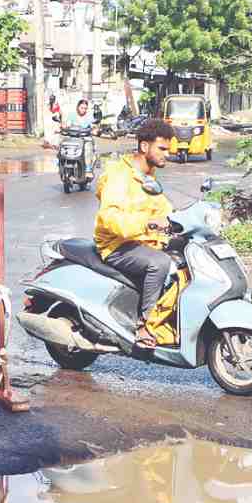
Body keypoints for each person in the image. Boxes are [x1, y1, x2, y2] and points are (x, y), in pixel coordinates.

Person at [93, 118, 176, 350]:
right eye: (162, 149)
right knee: (159, 263)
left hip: (141, 242)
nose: (166, 154)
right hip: (116, 245)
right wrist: (148, 224)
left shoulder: (147, 177)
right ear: (144, 147)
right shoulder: (119, 175)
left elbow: (164, 209)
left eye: (167, 150)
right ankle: (145, 326)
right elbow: (110, 218)